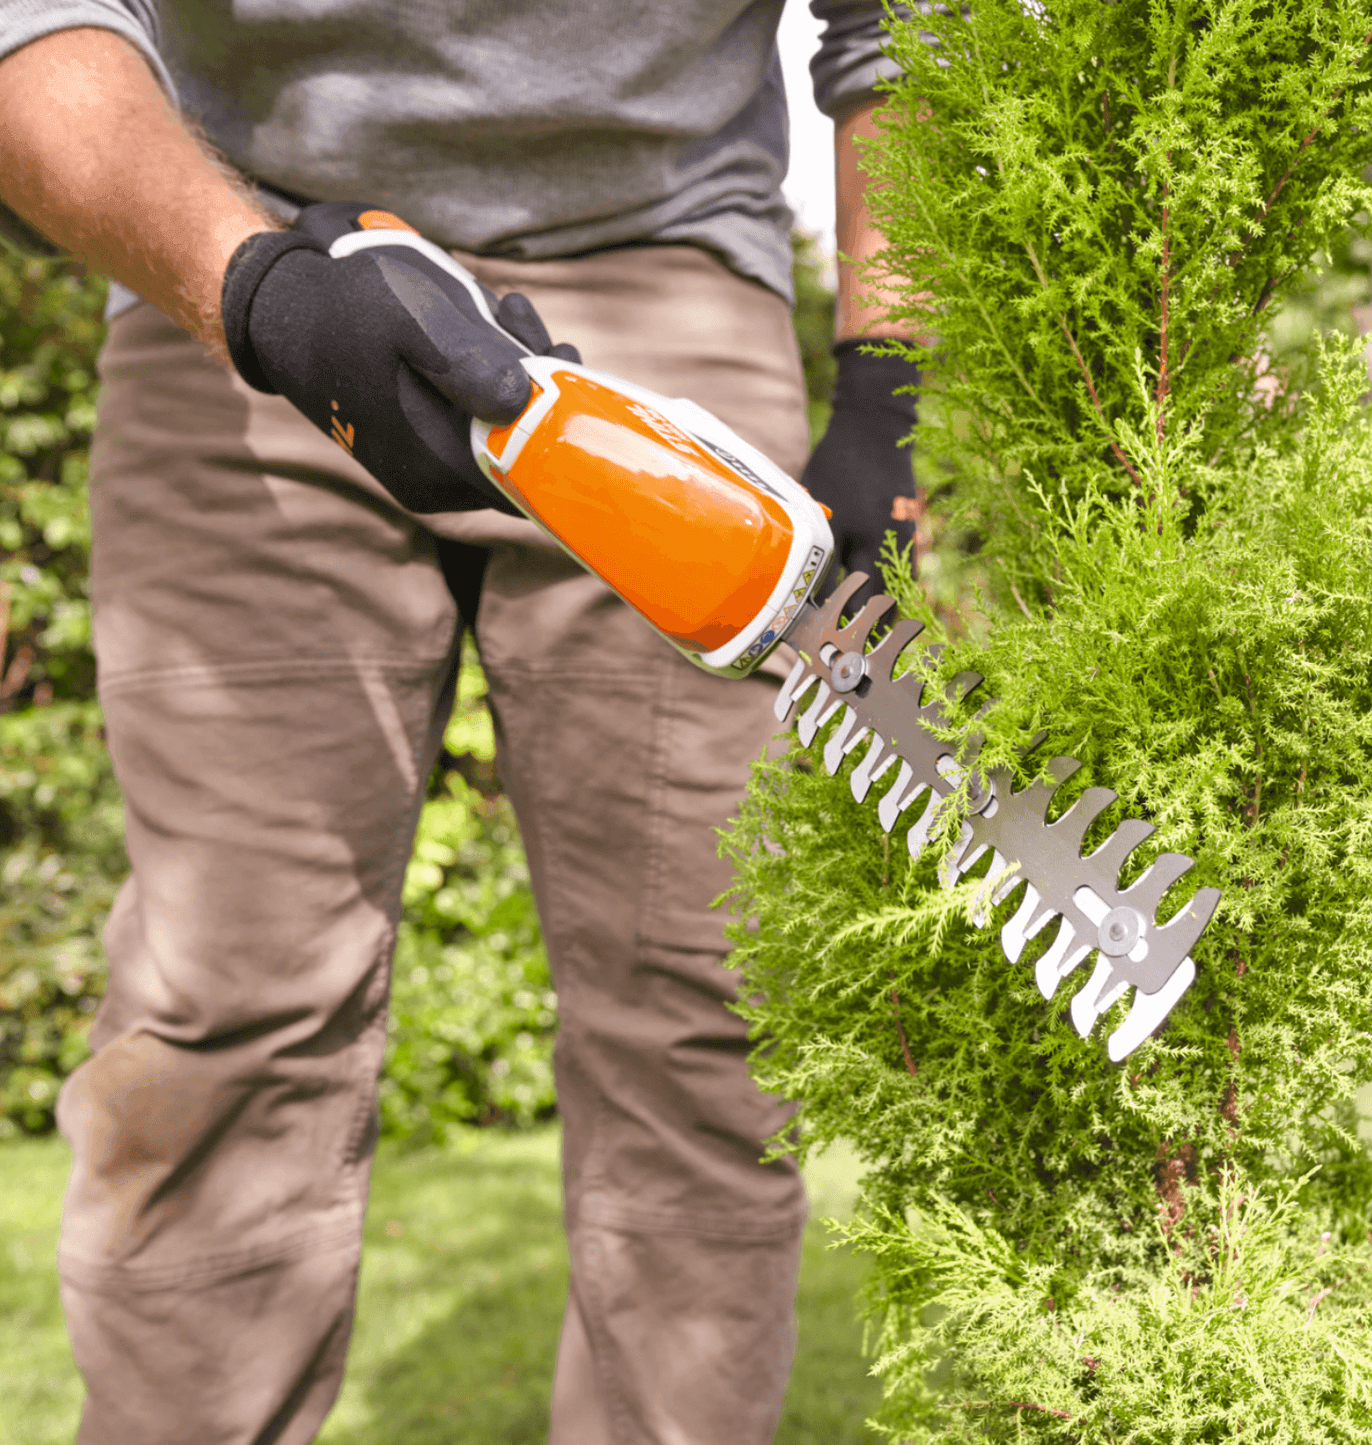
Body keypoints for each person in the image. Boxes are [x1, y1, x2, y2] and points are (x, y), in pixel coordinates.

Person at [0, 4, 921, 1443]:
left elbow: (905, 22)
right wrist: (259, 295)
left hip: (663, 258)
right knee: (223, 1010)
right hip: (234, 239)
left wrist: (893, 376)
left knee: (696, 1015)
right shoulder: (243, 272)